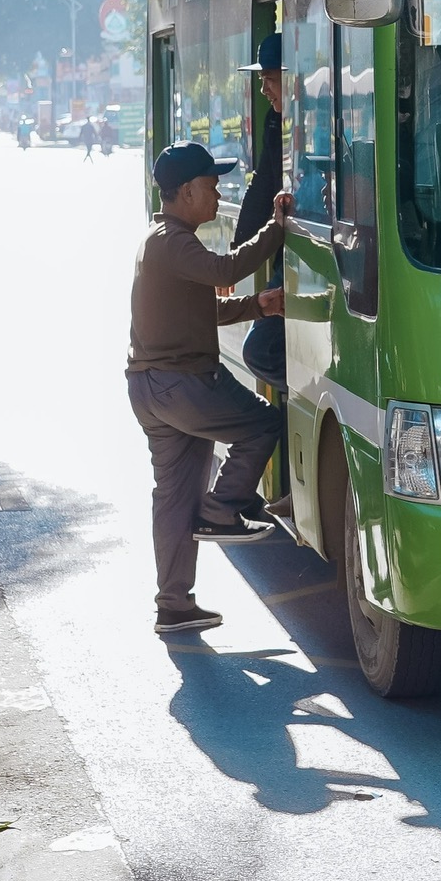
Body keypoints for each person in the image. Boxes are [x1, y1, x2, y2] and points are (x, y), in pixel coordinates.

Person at [129, 143, 287, 636]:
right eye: (212, 185)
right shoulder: (175, 241)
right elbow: (224, 272)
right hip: (182, 385)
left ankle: (173, 604)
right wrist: (276, 226)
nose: (218, 193)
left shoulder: (162, 240)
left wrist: (258, 306)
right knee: (263, 422)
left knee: (174, 499)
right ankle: (223, 509)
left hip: (151, 388)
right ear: (188, 190)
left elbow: (204, 312)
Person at [233, 33, 287, 393]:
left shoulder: (330, 115)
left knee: (261, 350)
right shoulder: (273, 122)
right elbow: (261, 185)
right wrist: (235, 255)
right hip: (287, 252)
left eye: (269, 79)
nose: (265, 90)